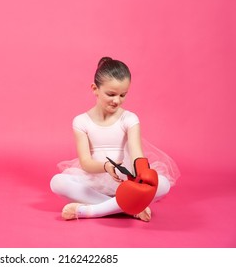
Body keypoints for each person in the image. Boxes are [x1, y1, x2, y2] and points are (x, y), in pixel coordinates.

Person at [50, 57, 180, 222]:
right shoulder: (81, 121)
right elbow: (85, 163)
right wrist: (106, 166)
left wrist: (142, 176)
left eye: (123, 95)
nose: (117, 100)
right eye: (111, 94)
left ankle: (92, 211)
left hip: (126, 181)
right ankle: (128, 208)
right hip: (93, 178)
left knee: (163, 184)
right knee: (57, 182)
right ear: (95, 89)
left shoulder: (129, 119)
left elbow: (137, 155)